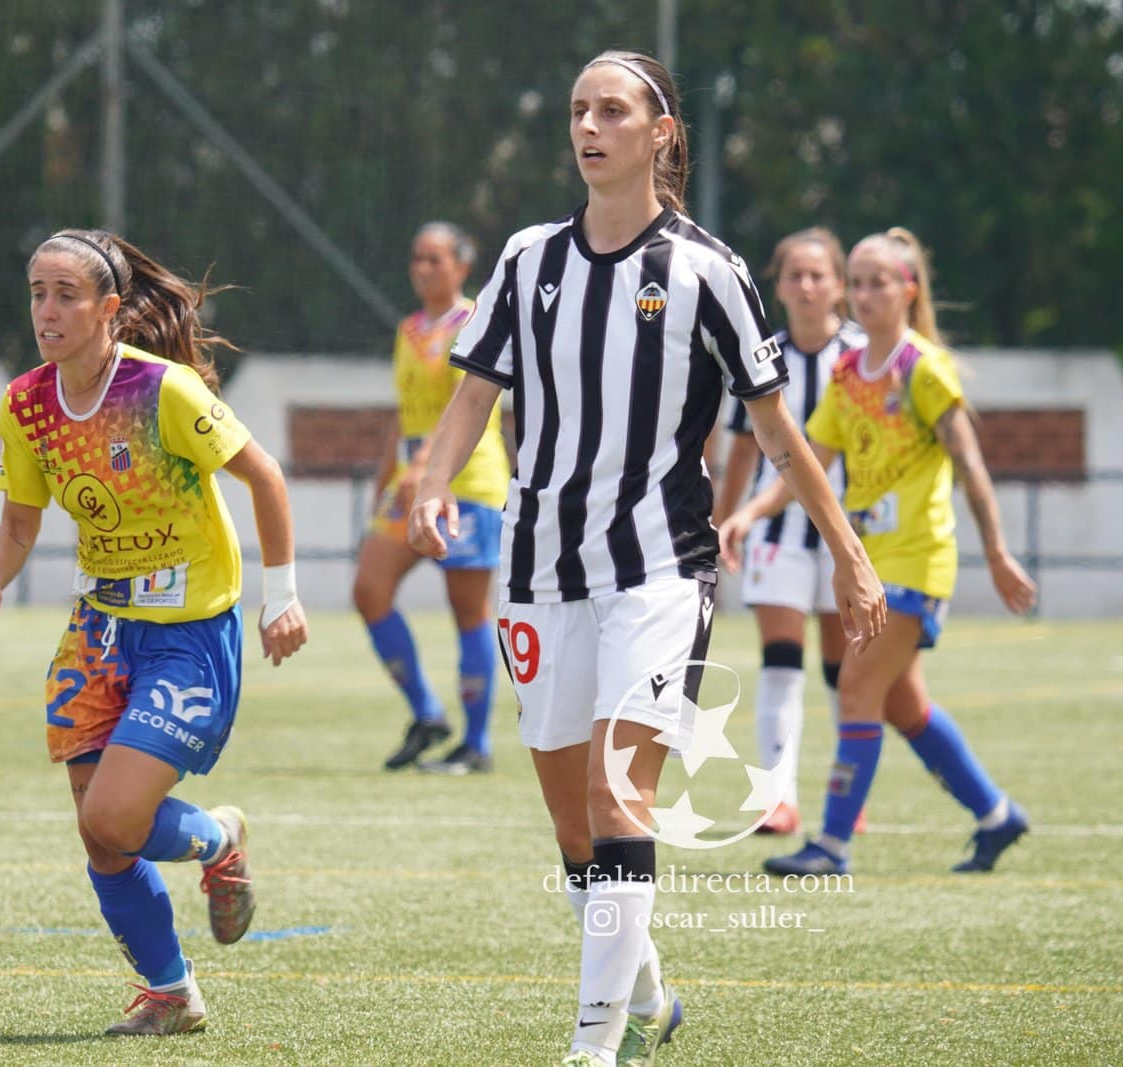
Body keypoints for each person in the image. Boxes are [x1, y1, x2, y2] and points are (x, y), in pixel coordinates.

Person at [407, 52, 885, 1067]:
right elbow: (469, 401)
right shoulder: (527, 260)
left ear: (660, 133)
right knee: (573, 824)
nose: (589, 124)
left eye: (611, 109)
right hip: (538, 566)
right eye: (578, 107)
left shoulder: (709, 270)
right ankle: (650, 989)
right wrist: (431, 481)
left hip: (661, 566)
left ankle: (593, 1043)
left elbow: (780, 433)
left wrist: (847, 555)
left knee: (617, 798)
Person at [0, 229, 308, 1038]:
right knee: (101, 832)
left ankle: (219, 837)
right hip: (99, 635)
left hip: (188, 637)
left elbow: (265, 475)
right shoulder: (26, 404)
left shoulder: (165, 391)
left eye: (66, 294)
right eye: (37, 292)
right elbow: (20, 519)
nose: (46, 310)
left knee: (114, 818)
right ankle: (172, 992)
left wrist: (280, 595)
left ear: (109, 308)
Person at [722, 228, 1036, 878]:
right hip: (871, 561)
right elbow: (806, 463)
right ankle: (996, 813)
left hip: (917, 561)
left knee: (857, 685)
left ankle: (831, 846)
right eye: (859, 282)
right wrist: (749, 513)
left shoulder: (922, 368)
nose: (865, 295)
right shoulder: (847, 372)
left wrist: (999, 553)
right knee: (902, 705)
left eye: (878, 282)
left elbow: (969, 462)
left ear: (908, 290)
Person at [710, 228, 866, 835]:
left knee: (841, 668)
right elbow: (744, 448)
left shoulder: (859, 358)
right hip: (775, 534)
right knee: (779, 660)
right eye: (794, 275)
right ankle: (778, 798)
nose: (805, 286)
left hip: (845, 538)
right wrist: (723, 524)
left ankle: (847, 790)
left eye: (817, 275)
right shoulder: (761, 354)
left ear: (837, 286)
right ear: (777, 286)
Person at [353, 221, 507, 775]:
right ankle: (427, 713)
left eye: (435, 259)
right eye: (417, 258)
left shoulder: (477, 321)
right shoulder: (409, 328)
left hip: (467, 481)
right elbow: (404, 413)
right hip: (412, 480)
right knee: (369, 589)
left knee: (468, 611)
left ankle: (478, 744)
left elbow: (468, 403)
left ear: (462, 268)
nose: (422, 269)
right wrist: (387, 478)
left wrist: (425, 468)